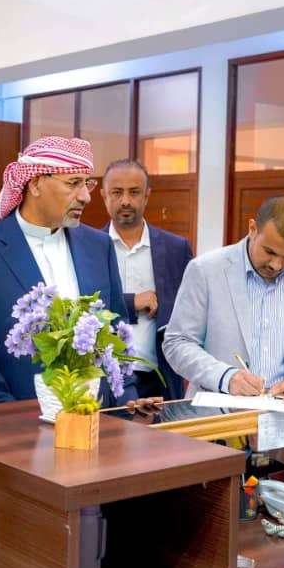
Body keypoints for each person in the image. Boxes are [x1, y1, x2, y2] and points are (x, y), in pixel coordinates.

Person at [0, 136, 153, 415]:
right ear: (35, 183)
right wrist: (7, 416)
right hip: (15, 423)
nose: (85, 196)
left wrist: (126, 402)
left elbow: (116, 330)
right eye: (73, 183)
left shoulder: (98, 246)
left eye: (86, 183)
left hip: (99, 419)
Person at [164, 196, 284, 400]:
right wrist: (225, 377)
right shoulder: (205, 270)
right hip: (219, 412)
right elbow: (178, 342)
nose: (276, 265)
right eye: (269, 251)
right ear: (252, 229)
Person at [101, 159, 193, 400]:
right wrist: (131, 302)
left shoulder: (176, 249)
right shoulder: (87, 247)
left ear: (147, 196)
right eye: (117, 192)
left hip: (160, 378)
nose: (125, 201)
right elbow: (80, 307)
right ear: (103, 195)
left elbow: (192, 310)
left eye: (134, 192)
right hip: (102, 377)